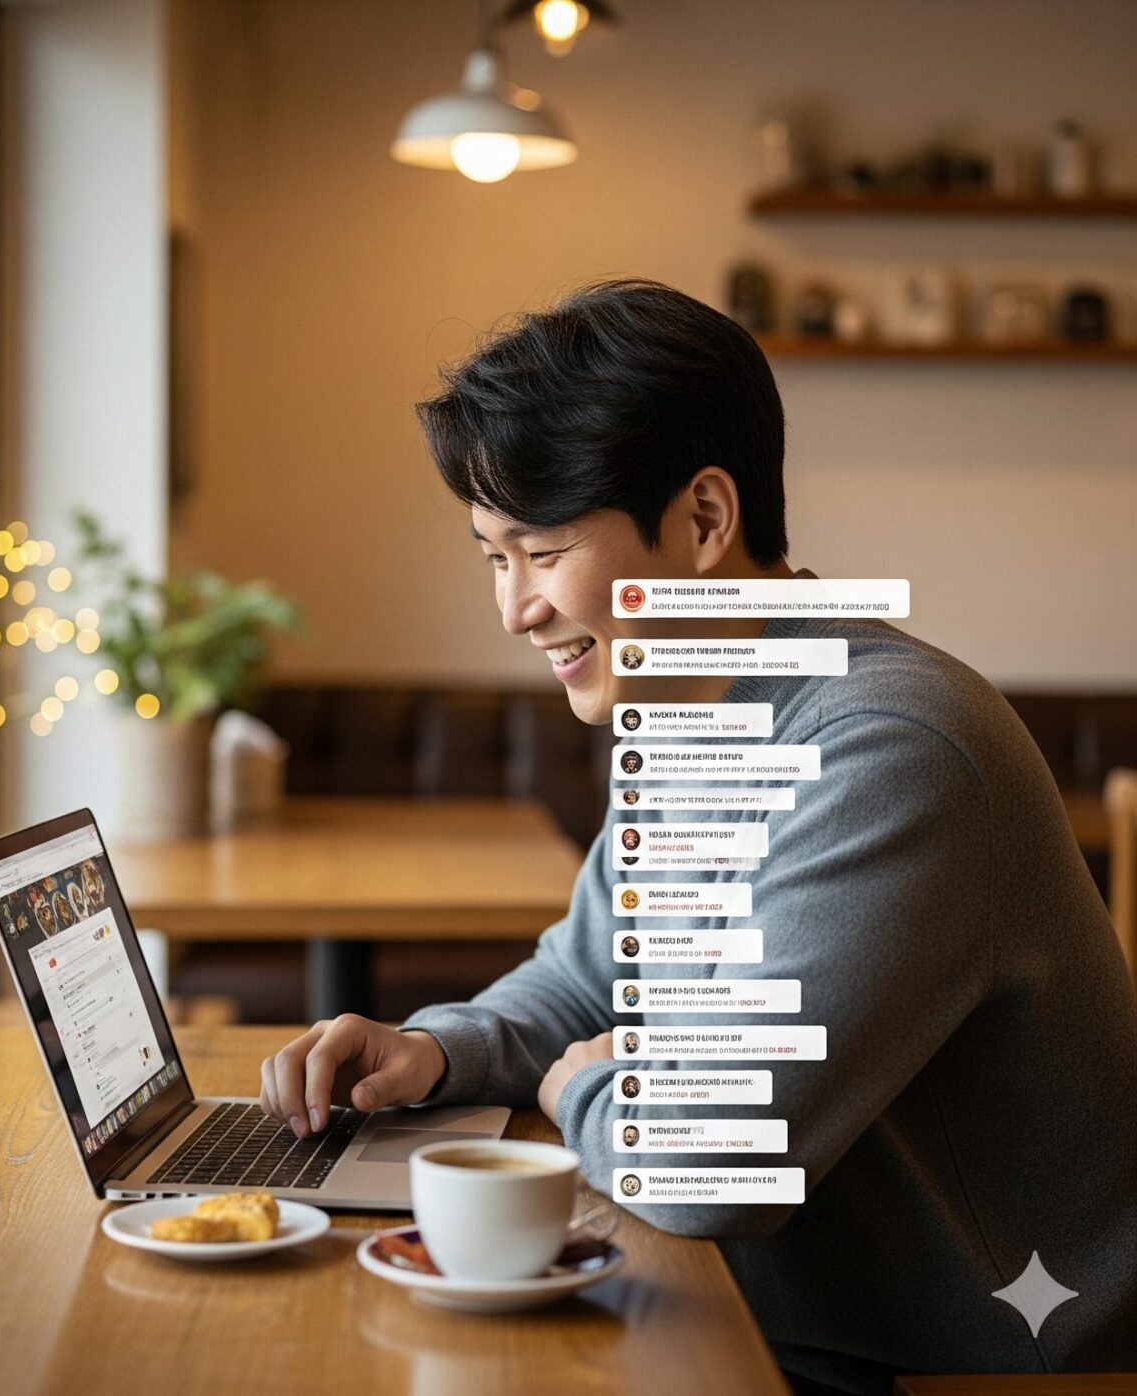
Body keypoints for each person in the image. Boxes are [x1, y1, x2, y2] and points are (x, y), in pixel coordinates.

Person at [255, 281, 1137, 1391]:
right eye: (493, 555)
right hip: (772, 1311)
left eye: (542, 548)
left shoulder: (894, 751)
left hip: (954, 1367)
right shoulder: (687, 713)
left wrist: (583, 1088)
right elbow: (582, 986)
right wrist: (437, 1050)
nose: (514, 608)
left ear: (705, 520)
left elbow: (707, 1157)